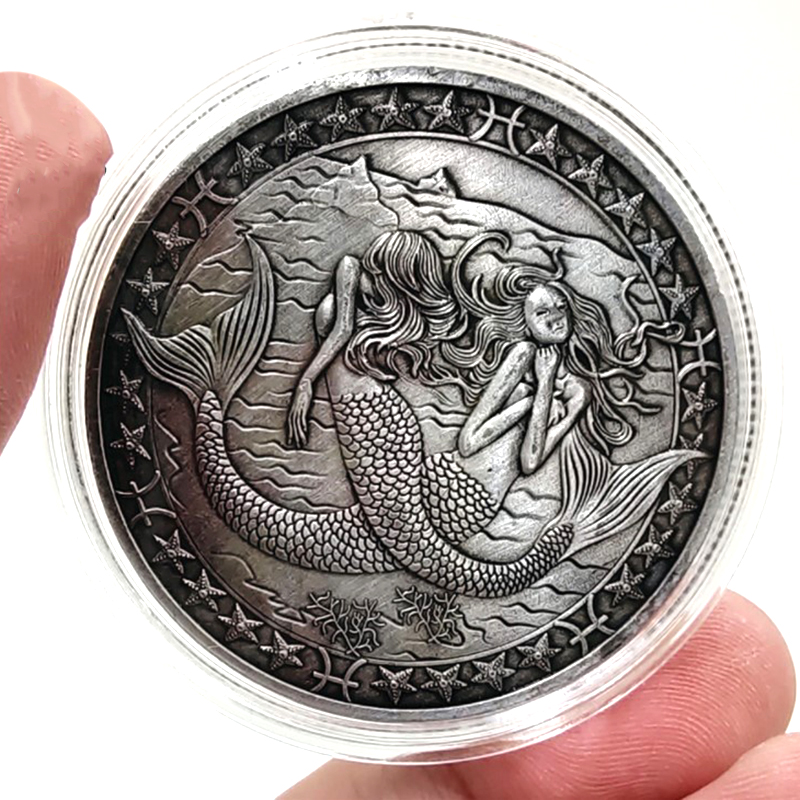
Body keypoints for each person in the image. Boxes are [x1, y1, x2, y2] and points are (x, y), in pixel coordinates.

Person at [2, 72, 797, 799]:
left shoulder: (456, 357)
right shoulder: (368, 311)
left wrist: (547, 410)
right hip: (414, 477)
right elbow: (462, 436)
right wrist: (316, 392)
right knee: (412, 536)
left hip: (430, 482)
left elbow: (488, 443)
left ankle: (216, 397)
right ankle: (216, 396)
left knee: (422, 532)